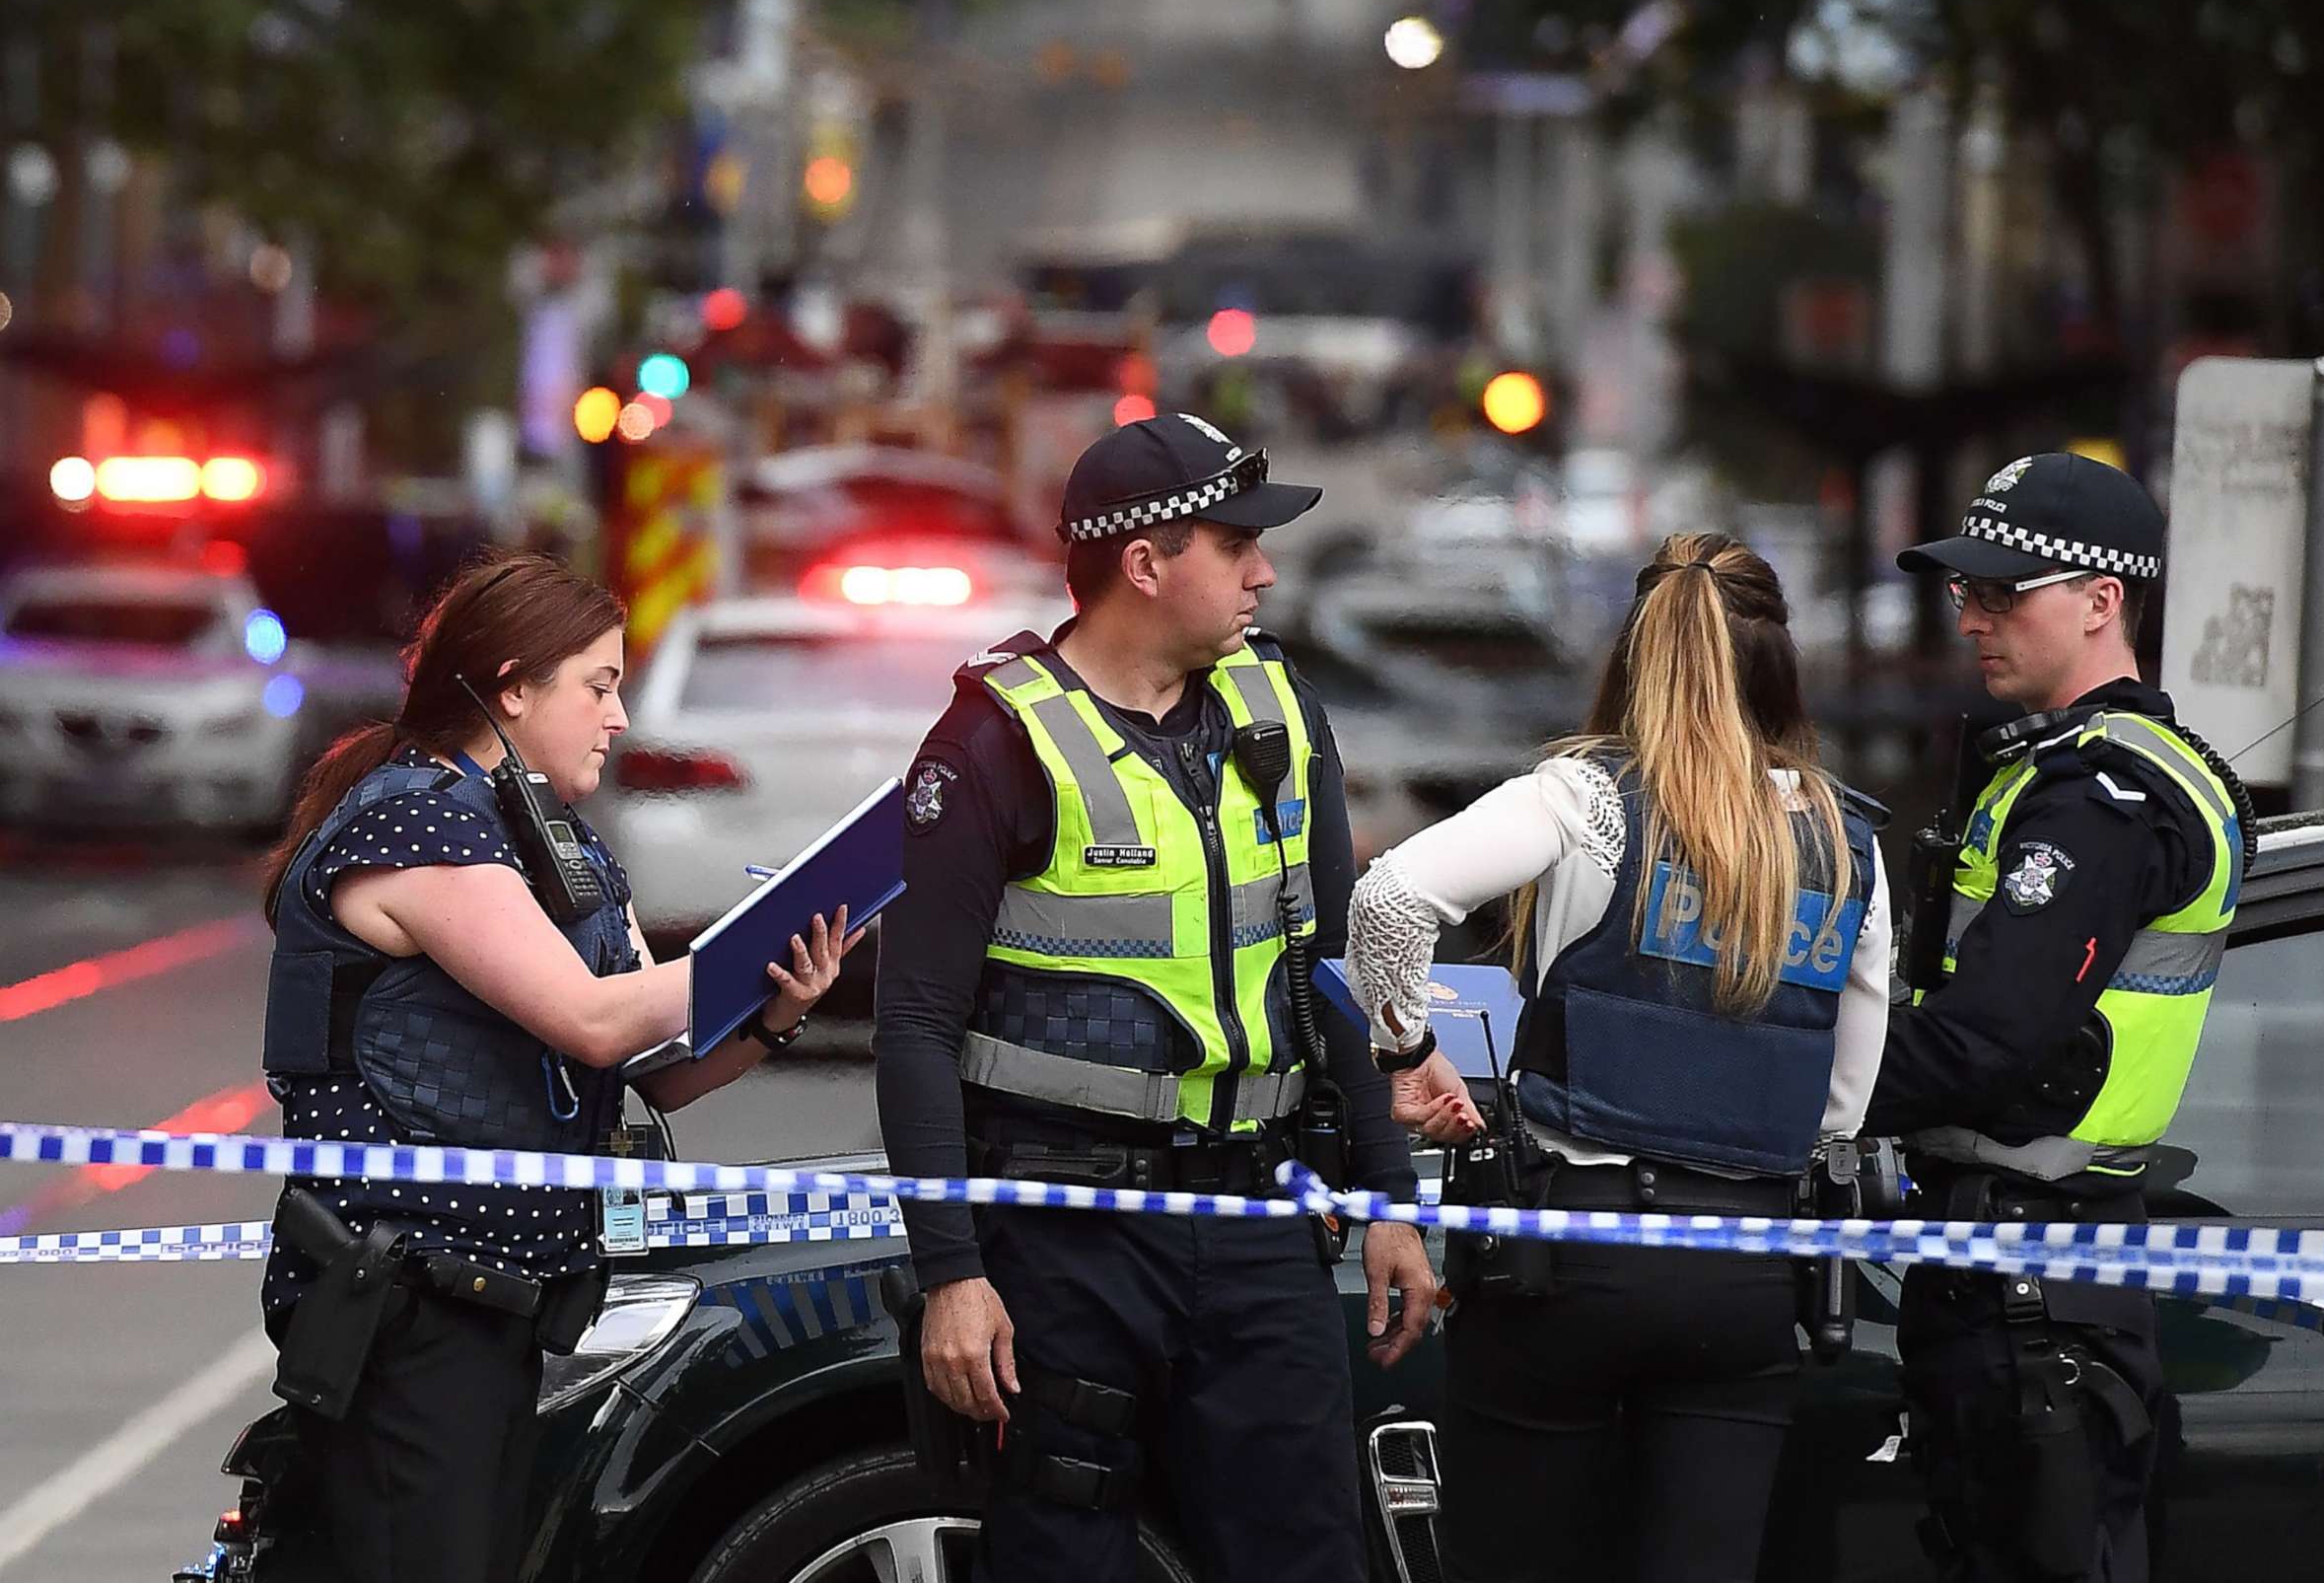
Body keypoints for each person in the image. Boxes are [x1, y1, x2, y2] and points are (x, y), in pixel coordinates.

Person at [873, 411, 1438, 1583]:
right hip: (1066, 1241)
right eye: (1236, 546)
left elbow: (1335, 962)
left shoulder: (1280, 709)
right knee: (1065, 1555)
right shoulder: (993, 743)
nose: (1265, 572)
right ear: (1146, 563)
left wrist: (1390, 1199)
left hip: (1257, 1225)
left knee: (1305, 1555)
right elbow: (915, 1025)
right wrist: (953, 1276)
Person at [255, 554, 857, 1583]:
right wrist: (740, 953)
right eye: (600, 685)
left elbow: (652, 1067)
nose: (617, 718)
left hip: (505, 1303)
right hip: (411, 1308)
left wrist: (771, 1013)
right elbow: (586, 1018)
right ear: (512, 687)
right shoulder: (418, 821)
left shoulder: (558, 841)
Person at [1341, 533, 1894, 1583]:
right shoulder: (1846, 841)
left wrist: (1405, 1047)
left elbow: (1390, 899)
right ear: (1778, 664)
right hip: (1745, 1277)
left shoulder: (1581, 798)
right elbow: (1843, 1106)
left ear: (1635, 656)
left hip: (1566, 1263)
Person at [1868, 453, 2252, 1583]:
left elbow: (1987, 1038)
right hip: (2007, 1264)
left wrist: (1781, 1092)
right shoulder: (2045, 769)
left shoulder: (2108, 798)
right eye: (1964, 593)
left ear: (2101, 603)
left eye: (2005, 592)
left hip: (2038, 1285)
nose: (1974, 618)